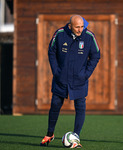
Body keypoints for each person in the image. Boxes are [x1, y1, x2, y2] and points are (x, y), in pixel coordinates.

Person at [40, 15, 100, 147]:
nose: (80, 30)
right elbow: (51, 51)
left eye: (82, 27)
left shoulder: (89, 36)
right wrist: (56, 72)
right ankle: (49, 134)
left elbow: (96, 55)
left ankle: (75, 137)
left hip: (80, 80)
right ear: (70, 26)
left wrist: (86, 74)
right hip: (61, 79)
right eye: (77, 27)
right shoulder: (60, 34)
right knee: (55, 104)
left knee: (80, 106)